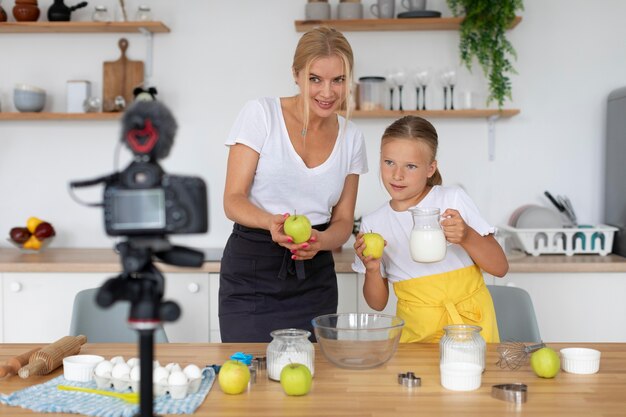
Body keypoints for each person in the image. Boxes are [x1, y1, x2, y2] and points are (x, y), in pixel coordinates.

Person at [220, 27, 368, 342]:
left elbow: (342, 221)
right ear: (296, 75)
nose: (327, 92)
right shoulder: (261, 115)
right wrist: (269, 222)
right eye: (315, 78)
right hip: (252, 274)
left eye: (338, 80)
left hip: (314, 280)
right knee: (251, 377)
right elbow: (232, 200)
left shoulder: (351, 137)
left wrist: (321, 241)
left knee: (315, 382)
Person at [352, 116, 508, 343]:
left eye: (411, 166)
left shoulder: (452, 200)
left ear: (430, 168)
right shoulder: (374, 224)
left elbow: (500, 267)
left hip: (473, 329)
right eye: (389, 162)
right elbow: (377, 303)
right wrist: (372, 269)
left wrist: (467, 236)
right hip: (417, 333)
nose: (397, 175)